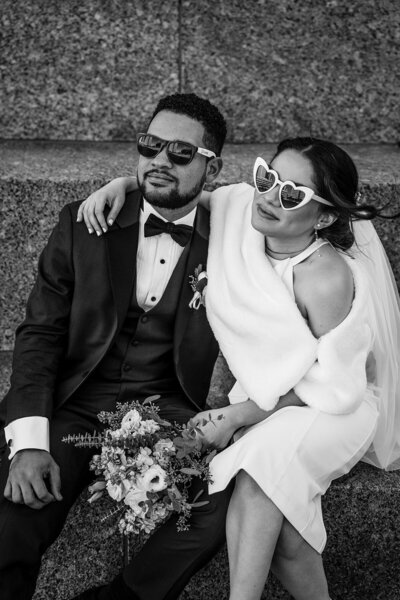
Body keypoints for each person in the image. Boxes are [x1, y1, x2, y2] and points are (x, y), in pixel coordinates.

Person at [80, 137, 400, 600]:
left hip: (331, 409)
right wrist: (120, 184)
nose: (269, 196)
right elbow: (185, 192)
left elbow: (337, 388)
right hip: (267, 402)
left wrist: (238, 416)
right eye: (267, 177)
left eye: (293, 194)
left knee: (255, 477)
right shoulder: (239, 212)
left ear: (325, 216)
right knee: (287, 535)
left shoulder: (326, 278)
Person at [0, 93, 236, 600]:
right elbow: (39, 335)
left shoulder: (233, 237)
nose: (159, 161)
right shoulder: (84, 223)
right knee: (15, 512)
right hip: (76, 403)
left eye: (180, 153)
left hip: (167, 408)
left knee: (224, 495)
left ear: (211, 170)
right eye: (150, 146)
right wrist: (30, 441)